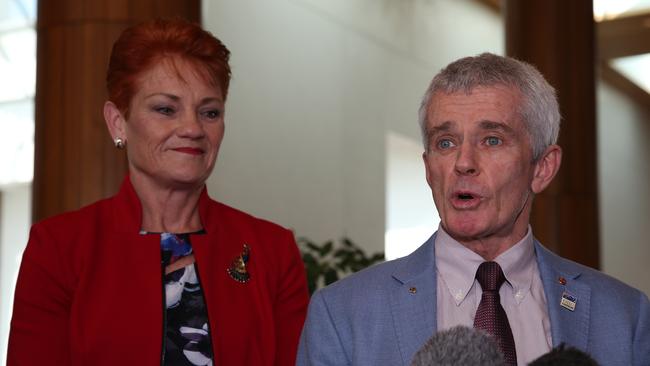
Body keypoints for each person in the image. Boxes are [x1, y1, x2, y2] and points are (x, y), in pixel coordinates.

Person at [297, 53, 650, 366]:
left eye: (492, 140)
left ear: (542, 167)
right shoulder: (343, 314)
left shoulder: (624, 315)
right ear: (428, 168)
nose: (463, 163)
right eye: (445, 143)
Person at [8, 18, 309, 365]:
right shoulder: (58, 248)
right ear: (118, 122)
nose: (193, 128)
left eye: (209, 112)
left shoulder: (272, 251)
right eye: (166, 109)